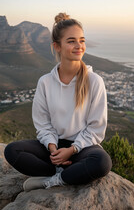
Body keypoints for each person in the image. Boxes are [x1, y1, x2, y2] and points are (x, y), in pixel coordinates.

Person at [4, 13, 112, 191]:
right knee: (12, 151)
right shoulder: (45, 82)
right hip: (52, 148)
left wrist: (72, 150)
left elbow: (96, 129)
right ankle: (63, 171)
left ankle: (53, 180)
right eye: (71, 41)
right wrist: (53, 149)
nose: (79, 46)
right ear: (57, 46)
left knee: (102, 162)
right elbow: (43, 124)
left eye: (82, 40)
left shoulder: (94, 81)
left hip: (82, 149)